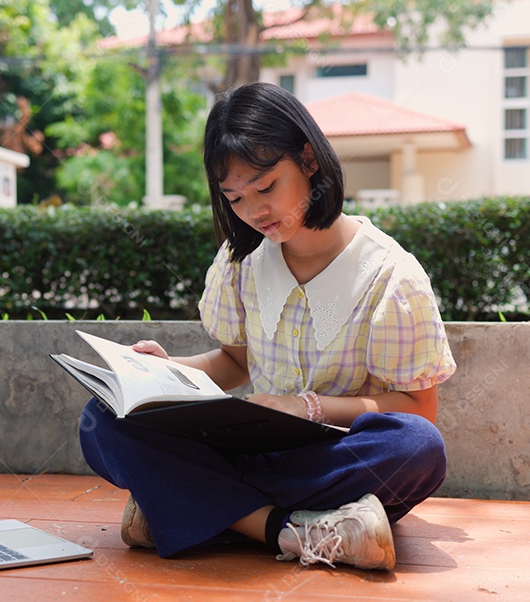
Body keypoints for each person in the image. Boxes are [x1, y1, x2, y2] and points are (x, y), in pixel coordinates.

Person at [78, 82, 455, 571]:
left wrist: (306, 407)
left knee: (417, 449)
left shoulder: (390, 278)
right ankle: (299, 530)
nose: (254, 211)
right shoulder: (243, 262)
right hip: (248, 448)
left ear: (309, 160)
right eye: (234, 197)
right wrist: (165, 372)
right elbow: (236, 363)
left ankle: (187, 503)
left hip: (331, 457)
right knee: (100, 419)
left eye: (265, 187)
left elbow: (418, 410)